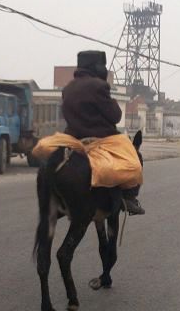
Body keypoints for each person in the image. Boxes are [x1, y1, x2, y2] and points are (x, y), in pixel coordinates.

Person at [62, 50, 146, 215]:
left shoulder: (68, 88)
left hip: (71, 137)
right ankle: (129, 197)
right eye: (103, 66)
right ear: (96, 67)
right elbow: (115, 116)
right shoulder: (99, 86)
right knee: (135, 161)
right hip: (98, 138)